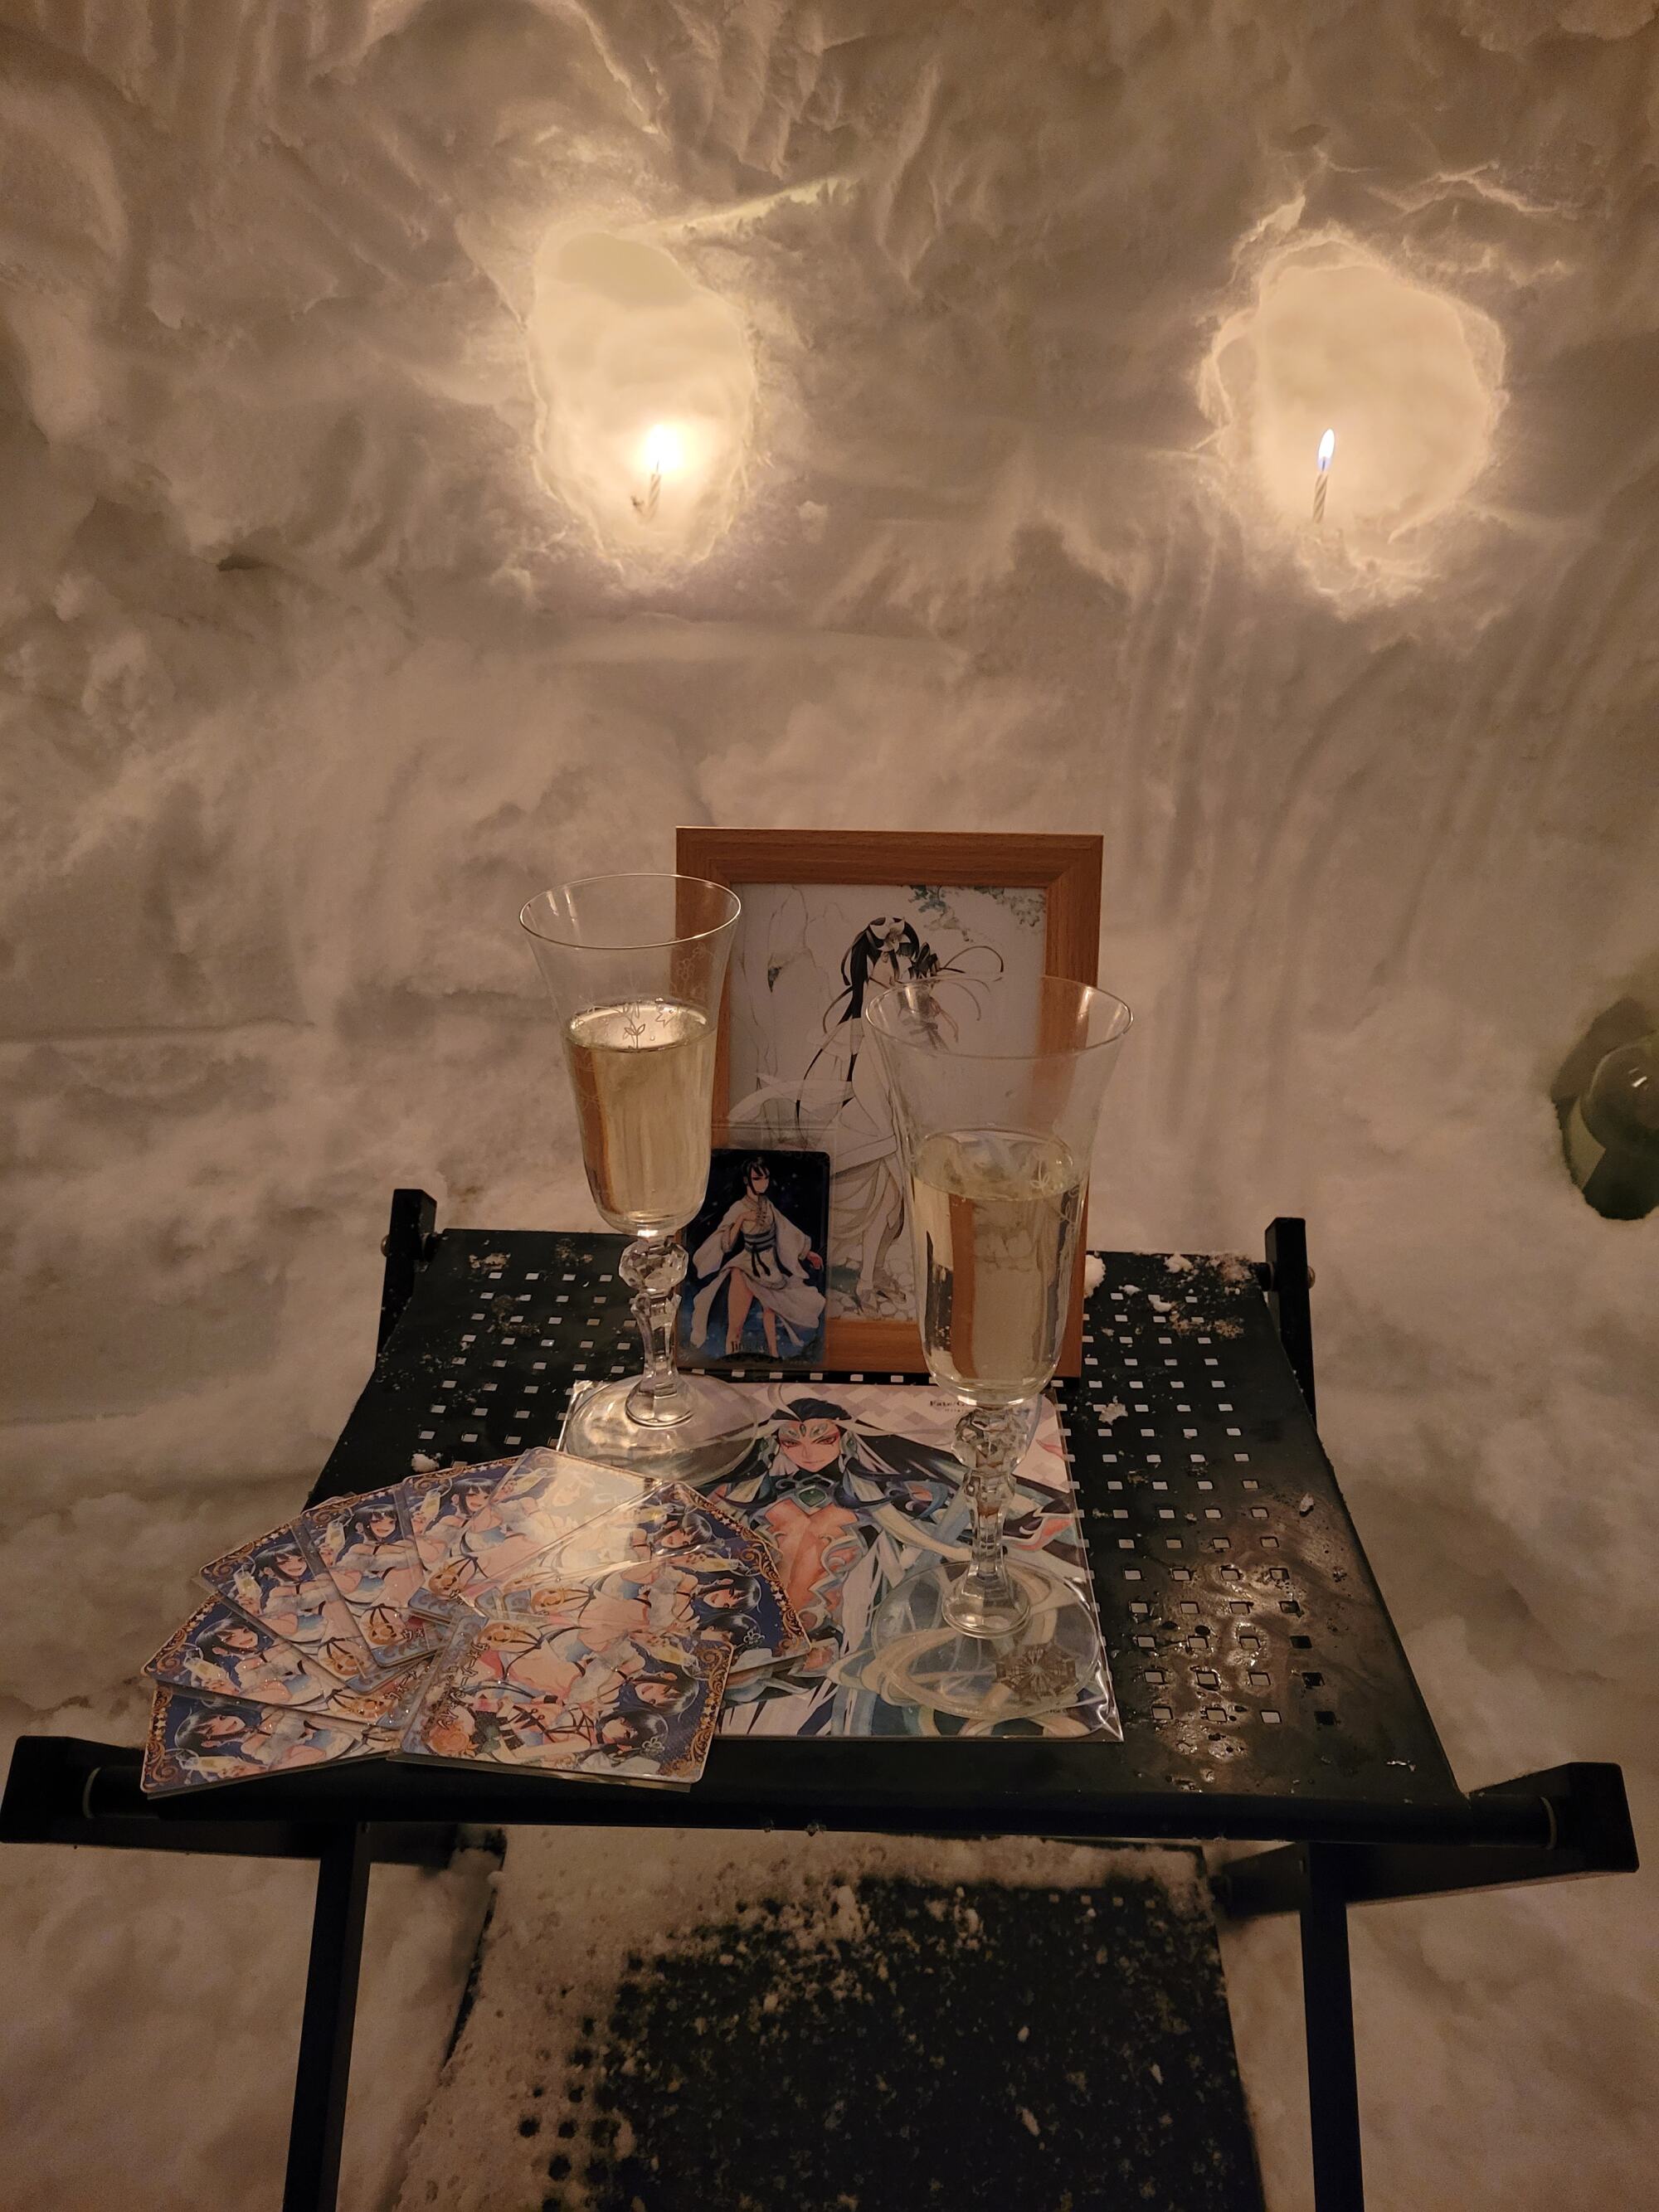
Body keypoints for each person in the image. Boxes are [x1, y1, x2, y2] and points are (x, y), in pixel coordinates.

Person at [689, 1158, 824, 1358]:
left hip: (769, 1266)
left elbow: (784, 1228)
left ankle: (774, 1356)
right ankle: (732, 1356)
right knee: (737, 1322)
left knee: (771, 1311)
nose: (763, 1183)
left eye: (766, 1178)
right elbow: (726, 1244)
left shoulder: (767, 1204)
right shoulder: (738, 1208)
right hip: (745, 1267)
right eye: (757, 1178)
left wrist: (807, 1253)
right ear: (747, 1180)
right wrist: (742, 1219)